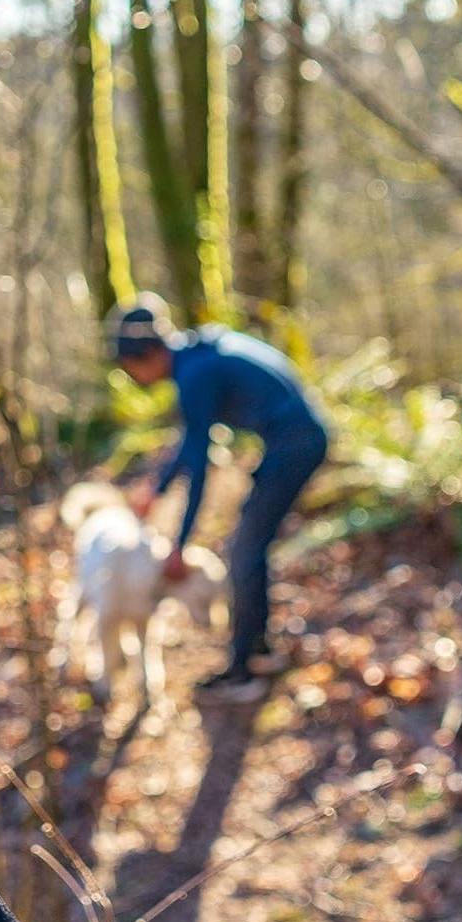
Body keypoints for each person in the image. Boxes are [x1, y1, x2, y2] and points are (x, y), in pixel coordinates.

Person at [109, 295, 328, 701]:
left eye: (131, 368)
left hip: (295, 443)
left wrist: (180, 544)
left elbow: (198, 462)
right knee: (249, 545)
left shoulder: (196, 373)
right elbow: (189, 441)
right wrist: (156, 490)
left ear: (146, 354)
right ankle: (257, 651)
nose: (135, 377)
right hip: (293, 440)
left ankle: (244, 671)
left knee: (244, 549)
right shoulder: (198, 354)